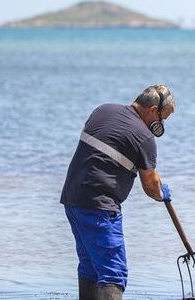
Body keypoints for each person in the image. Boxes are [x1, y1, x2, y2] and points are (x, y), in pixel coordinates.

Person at [60, 85, 176, 300]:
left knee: (90, 266)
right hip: (100, 207)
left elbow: (112, 147)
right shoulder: (144, 138)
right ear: (152, 110)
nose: (161, 125)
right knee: (113, 272)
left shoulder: (103, 110)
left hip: (72, 199)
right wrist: (162, 194)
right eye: (163, 119)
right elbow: (151, 187)